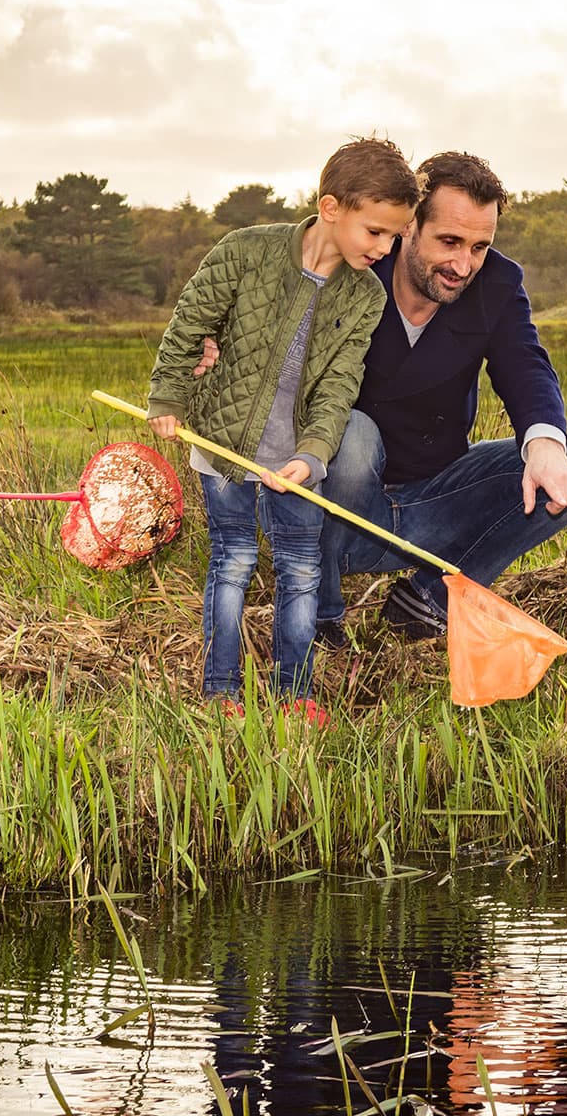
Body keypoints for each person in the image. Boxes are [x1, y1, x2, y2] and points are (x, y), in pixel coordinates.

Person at [196, 151, 567, 645]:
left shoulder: (498, 283)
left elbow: (526, 365)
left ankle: (431, 598)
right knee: (352, 434)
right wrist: (216, 342)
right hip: (333, 508)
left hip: (434, 497)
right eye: (449, 241)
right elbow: (258, 313)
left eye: (479, 246)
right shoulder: (350, 265)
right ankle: (322, 616)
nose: (463, 264)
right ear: (407, 225)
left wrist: (542, 445)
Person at [146, 137, 418, 715]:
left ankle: (293, 694)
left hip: (295, 461)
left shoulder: (366, 296)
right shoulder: (245, 252)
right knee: (233, 560)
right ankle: (221, 689)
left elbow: (341, 384)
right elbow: (190, 323)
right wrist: (168, 396)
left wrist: (315, 454)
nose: (385, 247)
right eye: (376, 231)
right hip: (220, 448)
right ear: (330, 208)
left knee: (300, 567)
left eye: (395, 236)